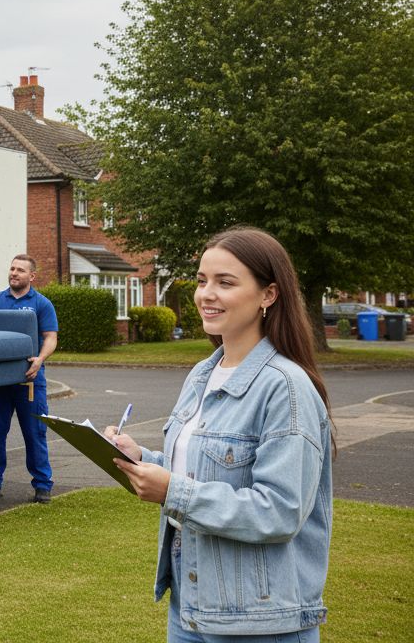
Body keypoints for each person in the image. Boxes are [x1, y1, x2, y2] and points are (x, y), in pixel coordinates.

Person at [107, 227, 334, 642]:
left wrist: (172, 490)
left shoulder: (284, 386)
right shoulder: (203, 372)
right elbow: (205, 467)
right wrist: (142, 459)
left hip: (260, 621)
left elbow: (280, 511)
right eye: (201, 280)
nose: (205, 294)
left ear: (269, 294)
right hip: (192, 610)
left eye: (225, 282)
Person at [0, 254, 59, 503]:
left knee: (35, 433)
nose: (14, 273)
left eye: (20, 270)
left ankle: (42, 485)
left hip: (30, 382)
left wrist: (40, 359)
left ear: (31, 276)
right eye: (12, 268)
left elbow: (50, 337)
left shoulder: (41, 304)